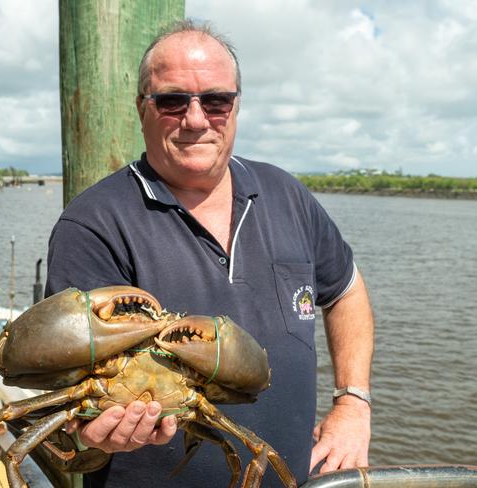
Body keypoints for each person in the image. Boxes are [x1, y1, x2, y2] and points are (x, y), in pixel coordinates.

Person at [45, 20, 373, 488]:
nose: (196, 119)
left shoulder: (286, 195)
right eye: (172, 100)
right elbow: (67, 399)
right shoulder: (94, 223)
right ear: (142, 109)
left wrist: (352, 402)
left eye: (216, 100)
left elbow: (346, 291)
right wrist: (93, 437)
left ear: (236, 106)